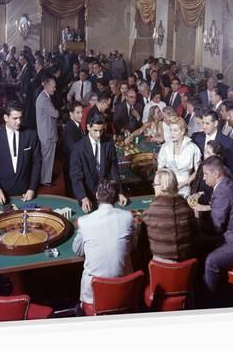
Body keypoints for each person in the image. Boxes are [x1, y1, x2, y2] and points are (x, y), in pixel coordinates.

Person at [72, 180, 136, 310]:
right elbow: (133, 246)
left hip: (93, 298)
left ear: (96, 196)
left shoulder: (84, 222)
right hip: (124, 291)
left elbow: (77, 250)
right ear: (117, 197)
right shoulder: (128, 217)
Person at [196, 156, 233, 297]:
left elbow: (216, 227)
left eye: (205, 174)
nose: (204, 178)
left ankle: (213, 301)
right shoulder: (228, 182)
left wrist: (197, 222)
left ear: (216, 174)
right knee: (201, 244)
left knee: (210, 260)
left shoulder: (221, 191)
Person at [0, 101, 41, 204]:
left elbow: (37, 163)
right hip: (2, 194)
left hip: (26, 193)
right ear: (6, 118)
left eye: (20, 118)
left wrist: (32, 188)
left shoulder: (31, 135)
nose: (19, 121)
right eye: (15, 118)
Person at [70, 115, 126, 212]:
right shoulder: (78, 148)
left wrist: (120, 192)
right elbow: (76, 176)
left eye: (101, 130)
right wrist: (83, 197)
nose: (98, 135)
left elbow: (114, 171)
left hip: (106, 196)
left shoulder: (109, 144)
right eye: (95, 130)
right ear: (88, 127)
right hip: (88, 196)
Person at [144, 168, 196, 262]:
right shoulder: (185, 206)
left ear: (162, 186)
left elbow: (143, 241)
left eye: (155, 184)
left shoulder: (151, 211)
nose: (153, 187)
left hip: (161, 264)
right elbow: (194, 232)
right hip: (187, 260)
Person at [157, 116, 201, 198]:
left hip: (185, 189)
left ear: (183, 131)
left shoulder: (193, 148)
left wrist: (186, 182)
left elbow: (198, 170)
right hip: (167, 188)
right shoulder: (165, 147)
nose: (172, 133)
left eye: (175, 130)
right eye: (171, 130)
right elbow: (160, 170)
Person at [191, 110, 233, 184]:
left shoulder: (227, 142)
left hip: (217, 183)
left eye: (207, 123)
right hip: (198, 183)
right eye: (203, 123)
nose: (204, 126)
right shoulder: (196, 137)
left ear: (215, 123)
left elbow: (232, 168)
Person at [36, 76, 59, 187]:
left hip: (45, 132)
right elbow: (55, 114)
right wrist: (58, 111)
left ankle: (46, 177)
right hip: (47, 133)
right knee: (47, 158)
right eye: (53, 87)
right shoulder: (44, 99)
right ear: (47, 86)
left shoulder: (43, 96)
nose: (55, 89)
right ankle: (45, 180)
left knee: (47, 157)